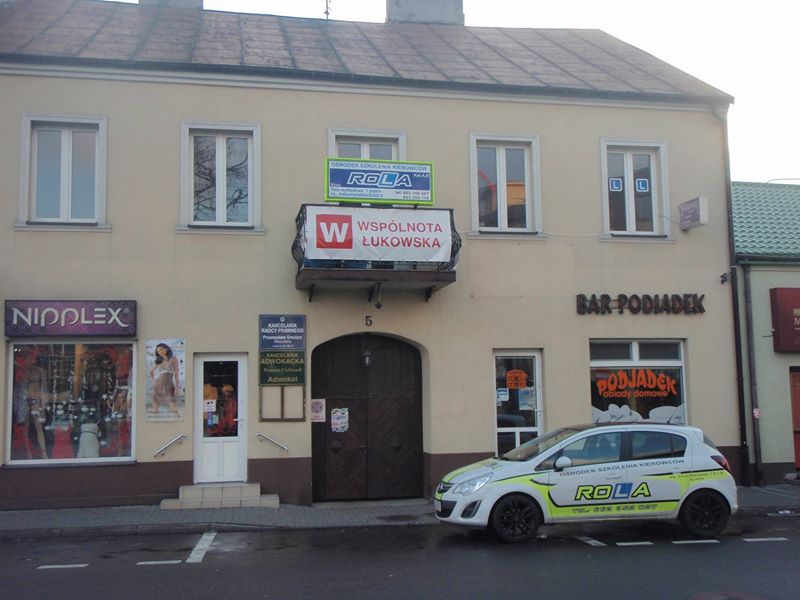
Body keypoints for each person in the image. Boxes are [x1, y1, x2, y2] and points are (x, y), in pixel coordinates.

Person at [150, 343, 180, 415]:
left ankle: (177, 418)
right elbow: (151, 371)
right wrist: (153, 381)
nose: (160, 352)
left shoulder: (173, 359)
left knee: (172, 401)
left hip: (169, 383)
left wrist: (177, 387)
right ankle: (154, 418)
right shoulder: (159, 361)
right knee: (156, 402)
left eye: (161, 349)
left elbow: (176, 374)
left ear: (166, 349)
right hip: (158, 383)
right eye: (158, 351)